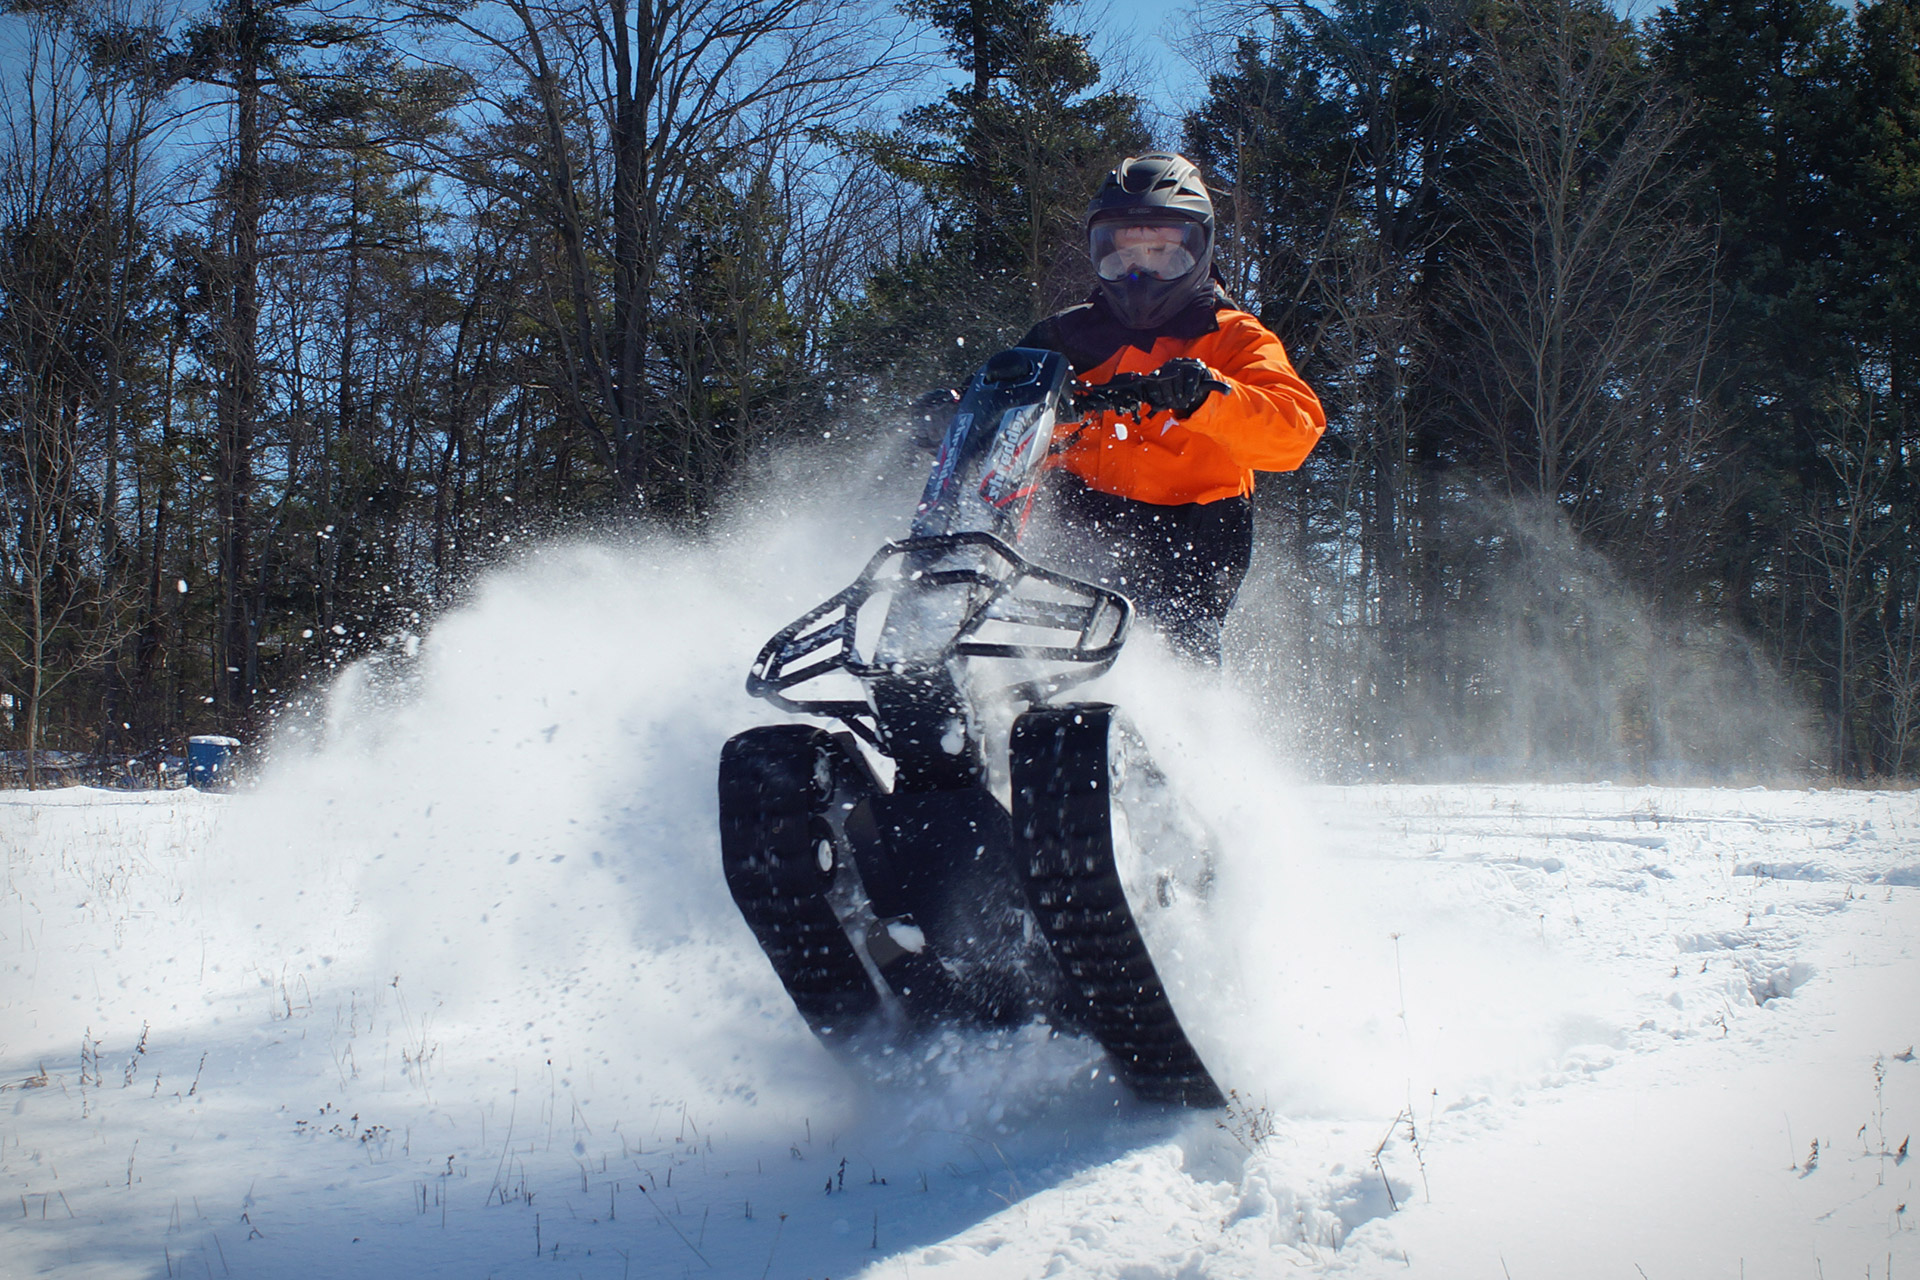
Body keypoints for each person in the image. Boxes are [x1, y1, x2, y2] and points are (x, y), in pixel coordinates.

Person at [1019, 152, 1326, 665]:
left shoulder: (1233, 336)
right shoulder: (1065, 336)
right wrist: (955, 412)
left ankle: (1185, 732)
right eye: (1124, 254)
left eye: (1162, 252)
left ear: (1197, 248)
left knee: (1176, 655)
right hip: (1072, 521)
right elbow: (999, 395)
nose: (1141, 270)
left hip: (1189, 537)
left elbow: (1294, 431)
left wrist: (1210, 395)